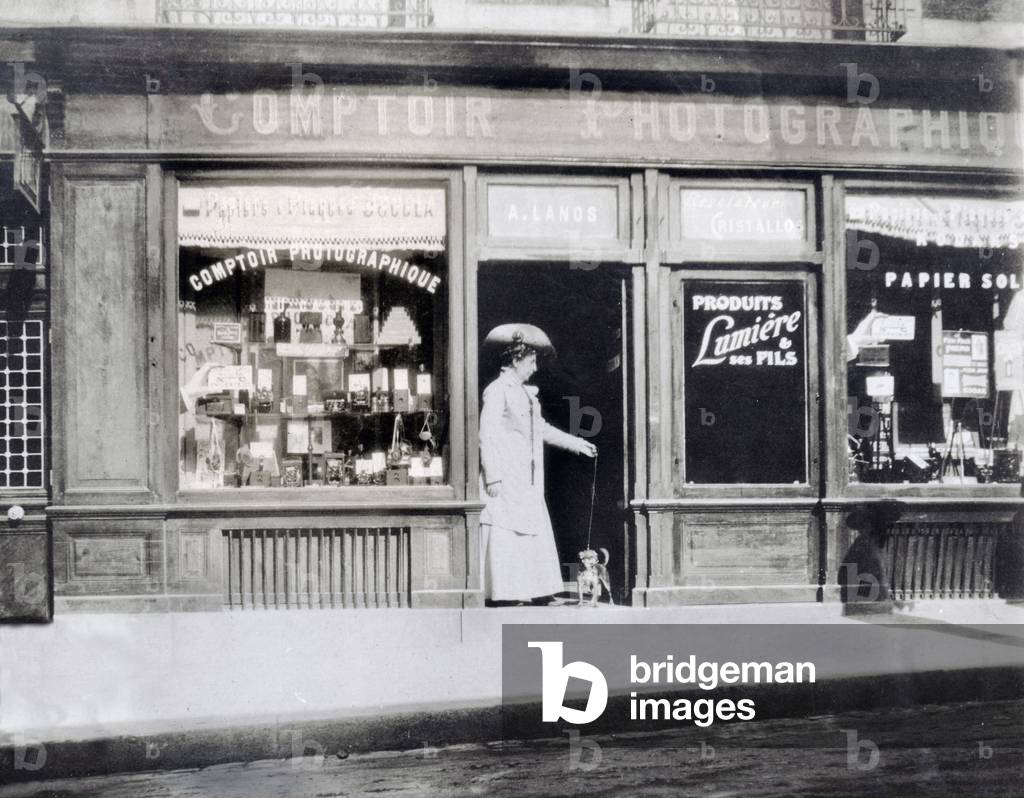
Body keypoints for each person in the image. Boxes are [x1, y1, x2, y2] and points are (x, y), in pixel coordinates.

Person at [479, 326, 597, 606]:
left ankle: (535, 590)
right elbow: (486, 434)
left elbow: (540, 429)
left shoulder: (525, 394)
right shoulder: (497, 391)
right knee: (507, 532)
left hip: (527, 479)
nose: (534, 368)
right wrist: (493, 475)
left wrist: (577, 443)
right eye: (531, 361)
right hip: (506, 479)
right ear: (516, 360)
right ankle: (504, 594)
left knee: (529, 530)